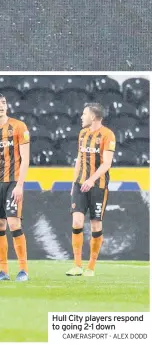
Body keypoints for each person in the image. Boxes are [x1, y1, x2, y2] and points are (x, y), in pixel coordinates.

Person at [0, 93, 31, 281]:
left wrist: (20, 185)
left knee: (13, 222)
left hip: (13, 182)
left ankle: (23, 270)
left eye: (3, 102)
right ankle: (3, 272)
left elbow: (25, 159)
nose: (1, 105)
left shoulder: (19, 127)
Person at [66, 103, 116, 277]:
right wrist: (74, 183)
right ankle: (77, 265)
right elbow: (79, 159)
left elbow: (107, 163)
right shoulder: (82, 134)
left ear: (93, 117)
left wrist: (91, 179)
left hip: (98, 186)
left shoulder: (108, 135)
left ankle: (91, 267)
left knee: (95, 225)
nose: (81, 116)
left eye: (84, 113)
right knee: (77, 222)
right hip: (80, 184)